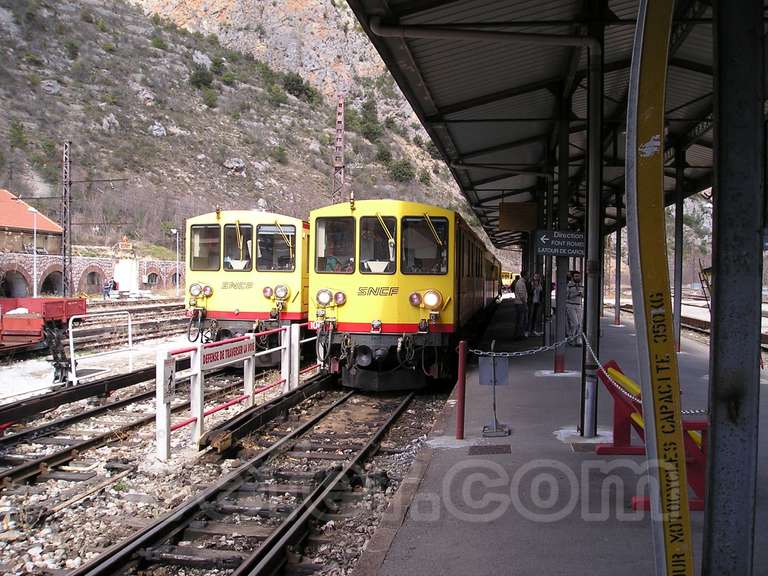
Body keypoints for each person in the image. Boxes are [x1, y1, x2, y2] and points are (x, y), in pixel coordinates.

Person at [566, 270, 583, 345]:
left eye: (578, 276)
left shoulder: (581, 286)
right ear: (572, 277)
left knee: (579, 323)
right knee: (575, 323)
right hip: (570, 305)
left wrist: (581, 294)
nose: (578, 277)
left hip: (578, 305)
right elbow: (567, 296)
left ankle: (578, 339)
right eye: (576, 276)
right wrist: (576, 294)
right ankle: (571, 337)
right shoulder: (569, 286)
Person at [514, 272, 529, 338]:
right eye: (527, 275)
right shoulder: (520, 283)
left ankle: (519, 334)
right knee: (521, 320)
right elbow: (521, 295)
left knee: (520, 320)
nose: (528, 276)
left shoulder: (521, 282)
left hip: (520, 303)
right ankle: (518, 335)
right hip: (520, 304)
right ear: (525, 275)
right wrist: (525, 304)